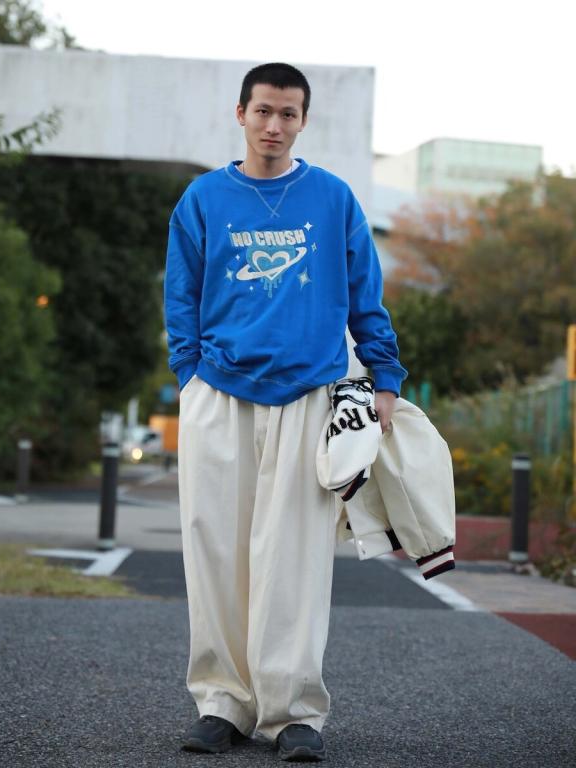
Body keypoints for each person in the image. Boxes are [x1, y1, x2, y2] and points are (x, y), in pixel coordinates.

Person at [164, 62, 407, 762]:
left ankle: (293, 712)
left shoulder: (332, 198)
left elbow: (365, 293)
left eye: (288, 114)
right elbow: (181, 296)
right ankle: (221, 703)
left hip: (308, 392)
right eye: (263, 111)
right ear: (240, 112)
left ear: (303, 121)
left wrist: (384, 375)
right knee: (215, 550)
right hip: (219, 391)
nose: (274, 125)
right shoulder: (204, 198)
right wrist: (189, 376)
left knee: (294, 558)